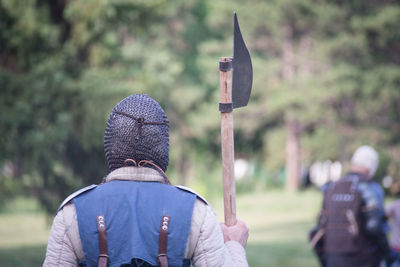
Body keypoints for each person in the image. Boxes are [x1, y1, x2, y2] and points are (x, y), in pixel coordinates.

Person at [43, 94, 249, 267]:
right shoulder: (196, 211)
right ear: (162, 148)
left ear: (111, 145)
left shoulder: (72, 212)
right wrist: (234, 245)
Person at [311, 145, 393, 267]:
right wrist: (388, 256)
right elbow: (376, 226)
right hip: (362, 257)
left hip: (332, 256)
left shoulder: (331, 187)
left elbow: (321, 225)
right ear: (372, 166)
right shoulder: (370, 188)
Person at [386, 198, 400, 266]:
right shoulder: (395, 205)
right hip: (396, 249)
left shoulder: (395, 205)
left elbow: (383, 220)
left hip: (396, 247)